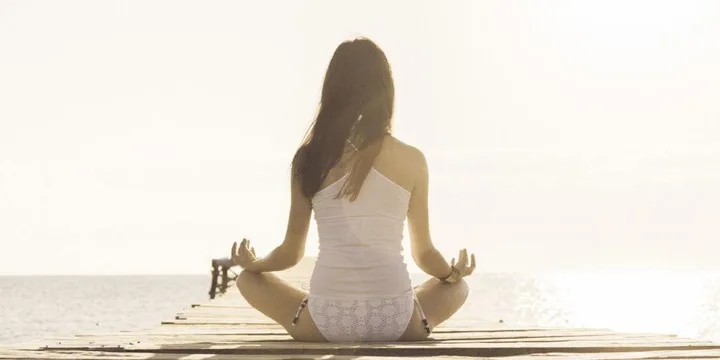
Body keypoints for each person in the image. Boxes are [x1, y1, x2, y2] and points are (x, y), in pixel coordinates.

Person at [231, 37, 476, 342]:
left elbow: (291, 253)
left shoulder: (309, 158)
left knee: (246, 280)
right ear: (385, 92)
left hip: (325, 322)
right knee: (459, 287)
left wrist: (256, 264)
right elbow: (424, 254)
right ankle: (413, 305)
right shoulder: (413, 159)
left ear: (332, 92)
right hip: (397, 320)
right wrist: (452, 274)